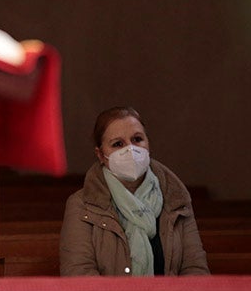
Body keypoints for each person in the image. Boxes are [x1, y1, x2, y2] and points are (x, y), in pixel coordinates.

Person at [59, 107, 209, 276]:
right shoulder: (82, 204)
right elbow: (79, 273)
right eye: (118, 144)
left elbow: (195, 269)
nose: (130, 149)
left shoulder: (175, 198)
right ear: (100, 154)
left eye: (137, 139)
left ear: (148, 144)